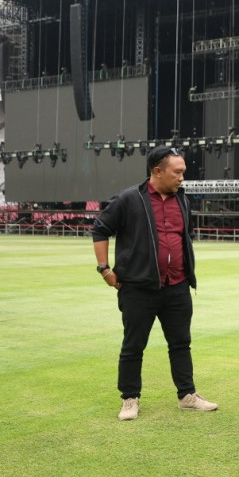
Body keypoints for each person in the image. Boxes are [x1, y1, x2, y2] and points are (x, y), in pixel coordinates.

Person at [91, 146, 218, 421]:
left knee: (181, 343)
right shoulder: (128, 199)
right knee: (134, 345)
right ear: (157, 171)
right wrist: (104, 269)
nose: (182, 177)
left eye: (183, 172)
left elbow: (182, 238)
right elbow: (100, 228)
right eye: (178, 172)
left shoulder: (183, 200)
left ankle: (187, 396)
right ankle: (129, 399)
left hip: (177, 286)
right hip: (138, 288)